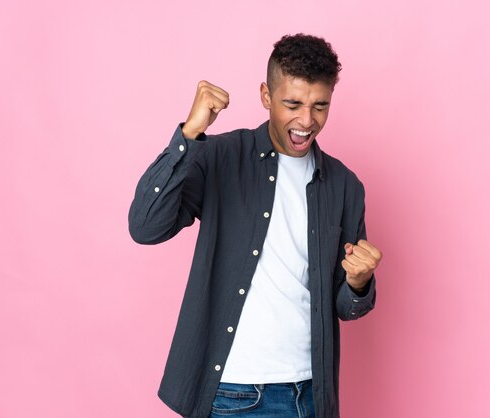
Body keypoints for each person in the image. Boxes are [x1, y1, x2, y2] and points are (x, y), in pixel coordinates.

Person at [128, 33, 382, 418]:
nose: (306, 120)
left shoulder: (346, 186)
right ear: (266, 95)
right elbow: (145, 226)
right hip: (233, 393)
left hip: (312, 393)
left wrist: (359, 283)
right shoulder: (220, 157)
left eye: (320, 106)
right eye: (292, 103)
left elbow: (345, 307)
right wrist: (189, 134)